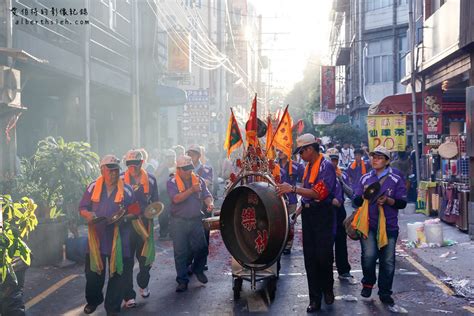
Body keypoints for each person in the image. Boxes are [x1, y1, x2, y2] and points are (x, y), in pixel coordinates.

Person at [276, 134, 336, 313]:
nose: (300, 155)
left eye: (301, 151)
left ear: (310, 149)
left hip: (323, 216)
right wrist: (297, 213)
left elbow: (318, 193)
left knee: (323, 257)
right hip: (309, 215)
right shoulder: (307, 166)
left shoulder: (326, 167)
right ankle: (314, 299)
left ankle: (328, 287)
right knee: (310, 258)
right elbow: (307, 194)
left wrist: (292, 188)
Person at [79, 155, 135, 315]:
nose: (113, 174)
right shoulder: (92, 187)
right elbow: (82, 208)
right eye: (110, 171)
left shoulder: (127, 190)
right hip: (97, 238)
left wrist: (123, 218)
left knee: (117, 274)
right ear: (102, 170)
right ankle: (94, 300)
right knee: (92, 274)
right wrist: (88, 215)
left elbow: (134, 212)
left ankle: (112, 308)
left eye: (116, 171)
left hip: (119, 239)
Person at [352, 146, 407, 307]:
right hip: (368, 224)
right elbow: (355, 200)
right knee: (368, 256)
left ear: (387, 161)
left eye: (380, 157)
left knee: (387, 261)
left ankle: (385, 292)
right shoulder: (365, 179)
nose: (375, 160)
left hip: (389, 225)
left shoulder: (396, 178)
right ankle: (368, 283)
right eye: (373, 156)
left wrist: (388, 201)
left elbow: (402, 202)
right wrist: (364, 197)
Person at [167, 155, 214, 293]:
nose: (188, 171)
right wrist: (192, 190)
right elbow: (176, 199)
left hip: (195, 220)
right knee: (180, 252)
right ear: (178, 169)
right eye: (185, 169)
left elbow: (207, 195)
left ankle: (198, 269)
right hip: (178, 221)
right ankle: (182, 280)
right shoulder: (172, 181)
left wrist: (209, 203)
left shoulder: (198, 180)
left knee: (202, 247)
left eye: (190, 168)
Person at [121, 150, 159, 307]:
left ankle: (143, 283)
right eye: (129, 164)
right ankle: (128, 296)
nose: (132, 167)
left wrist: (151, 212)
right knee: (127, 262)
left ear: (141, 163)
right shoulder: (121, 180)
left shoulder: (150, 179)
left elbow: (156, 202)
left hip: (144, 225)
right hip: (126, 226)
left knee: (145, 260)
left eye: (135, 164)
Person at [326, 148, 354, 282]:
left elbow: (351, 194)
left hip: (339, 211)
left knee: (341, 241)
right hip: (326, 211)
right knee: (326, 242)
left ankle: (343, 270)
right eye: (331, 159)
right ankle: (326, 269)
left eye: (335, 160)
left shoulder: (343, 174)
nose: (333, 162)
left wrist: (341, 182)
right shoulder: (323, 174)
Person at [186, 144, 214, 270]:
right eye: (189, 154)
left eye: (192, 154)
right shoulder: (182, 170)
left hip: (203, 206)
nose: (190, 156)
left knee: (204, 235)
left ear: (198, 156)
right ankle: (190, 261)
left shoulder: (206, 169)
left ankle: (202, 261)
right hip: (188, 208)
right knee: (188, 235)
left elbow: (205, 184)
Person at [276, 149, 304, 255]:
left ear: (288, 151)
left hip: (291, 199)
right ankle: (279, 244)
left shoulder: (297, 166)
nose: (280, 152)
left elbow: (304, 181)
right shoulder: (272, 165)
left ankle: (288, 245)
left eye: (282, 150)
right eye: (278, 150)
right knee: (278, 222)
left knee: (290, 223)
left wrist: (301, 191)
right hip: (277, 198)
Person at [155, 149, 177, 240]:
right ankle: (163, 232)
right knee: (163, 214)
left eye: (171, 157)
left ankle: (173, 233)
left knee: (174, 214)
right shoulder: (161, 167)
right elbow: (155, 176)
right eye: (168, 157)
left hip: (175, 194)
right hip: (163, 193)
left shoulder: (177, 167)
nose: (170, 159)